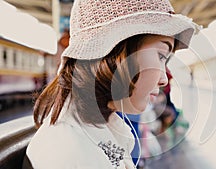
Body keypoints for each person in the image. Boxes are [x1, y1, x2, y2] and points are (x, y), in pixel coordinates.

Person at [24, 0, 199, 168]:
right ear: (118, 53)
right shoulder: (72, 155)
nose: (164, 79)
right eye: (161, 56)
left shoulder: (96, 128)